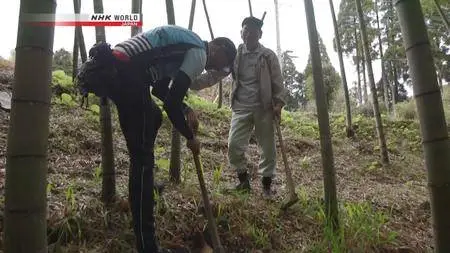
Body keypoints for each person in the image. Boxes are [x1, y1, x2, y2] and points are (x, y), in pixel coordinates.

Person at [76, 25, 236, 253]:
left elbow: (160, 91)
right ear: (218, 47)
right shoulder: (199, 53)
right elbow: (170, 103)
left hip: (119, 71)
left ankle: (143, 186)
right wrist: (190, 137)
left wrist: (186, 107)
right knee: (142, 162)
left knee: (152, 117)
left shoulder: (183, 47)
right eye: (225, 62)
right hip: (127, 75)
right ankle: (148, 245)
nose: (221, 68)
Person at [190, 16, 287, 198]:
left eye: (253, 31)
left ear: (260, 34)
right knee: (234, 145)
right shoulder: (235, 56)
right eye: (245, 30)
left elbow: (278, 82)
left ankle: (266, 185)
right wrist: (190, 81)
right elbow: (215, 75)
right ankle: (243, 181)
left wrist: (279, 104)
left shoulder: (268, 56)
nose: (248, 34)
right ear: (241, 32)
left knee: (267, 148)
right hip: (241, 107)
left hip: (264, 107)